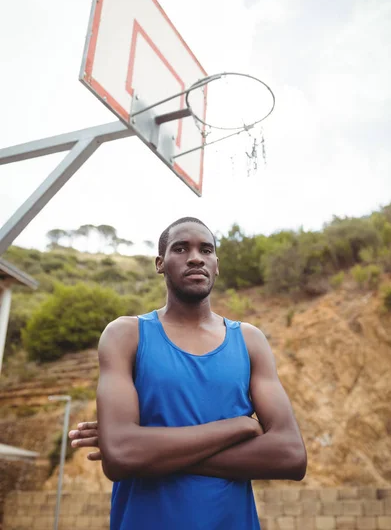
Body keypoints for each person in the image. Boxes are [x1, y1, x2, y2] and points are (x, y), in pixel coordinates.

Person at [69, 217, 307, 530]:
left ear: (216, 265)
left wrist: (152, 454)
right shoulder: (125, 335)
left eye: (205, 250)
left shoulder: (249, 340)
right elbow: (122, 457)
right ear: (160, 263)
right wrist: (237, 428)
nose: (195, 257)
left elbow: (290, 456)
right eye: (180, 249)